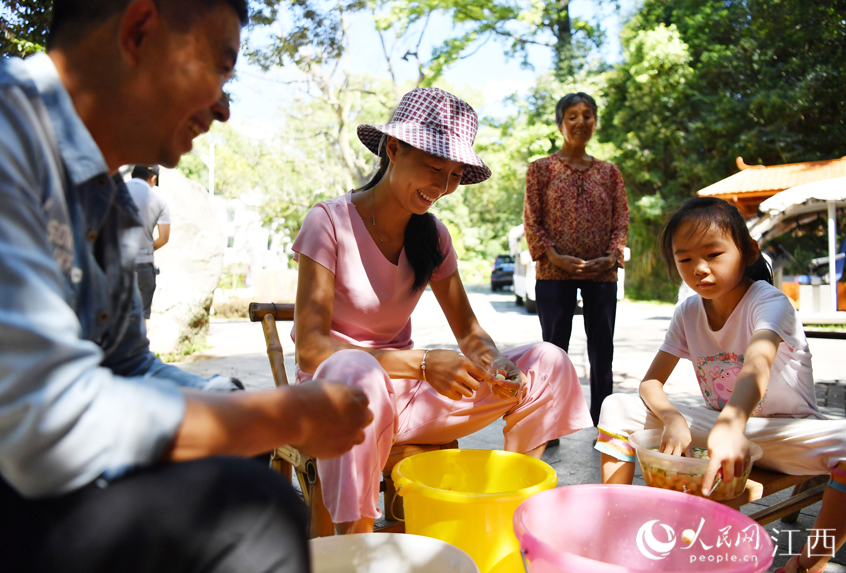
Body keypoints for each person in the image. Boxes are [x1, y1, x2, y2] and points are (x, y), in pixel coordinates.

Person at [0, 1, 372, 571]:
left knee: (242, 441)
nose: (222, 107)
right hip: (11, 466)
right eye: (220, 66)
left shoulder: (110, 200)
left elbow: (126, 365)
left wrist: (242, 406)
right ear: (140, 30)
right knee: (254, 510)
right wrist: (284, 417)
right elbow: (42, 420)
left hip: (31, 472)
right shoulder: (2, 129)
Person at [291, 87, 592, 535]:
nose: (443, 186)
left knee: (548, 361)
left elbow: (469, 332)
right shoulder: (328, 222)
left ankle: (512, 506)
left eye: (453, 174)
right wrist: (424, 363)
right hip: (339, 399)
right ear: (393, 148)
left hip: (408, 402)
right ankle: (356, 541)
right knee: (357, 369)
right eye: (434, 167)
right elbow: (311, 349)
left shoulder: (433, 237)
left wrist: (495, 363)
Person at [595, 197, 846, 573]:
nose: (699, 269)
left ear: (747, 252)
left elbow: (757, 364)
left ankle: (807, 563)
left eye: (713, 254)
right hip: (717, 432)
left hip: (783, 435)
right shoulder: (688, 311)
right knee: (616, 405)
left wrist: (732, 425)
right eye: (685, 259)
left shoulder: (770, 302)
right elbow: (650, 382)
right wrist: (672, 417)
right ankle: (615, 532)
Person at [523, 92, 629, 425]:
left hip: (602, 275)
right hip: (554, 274)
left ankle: (606, 422)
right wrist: (555, 257)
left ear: (595, 122)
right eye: (572, 115)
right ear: (560, 123)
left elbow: (621, 218)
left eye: (587, 115)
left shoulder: (609, 172)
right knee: (553, 351)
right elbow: (532, 218)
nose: (581, 121)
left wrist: (611, 257)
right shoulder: (541, 169)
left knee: (602, 351)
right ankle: (551, 424)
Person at [126, 164, 170, 322]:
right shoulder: (159, 200)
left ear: (132, 173)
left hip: (117, 262)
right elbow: (164, 238)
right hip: (144, 265)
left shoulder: (116, 191)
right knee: (140, 318)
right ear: (153, 178)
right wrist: (146, 249)